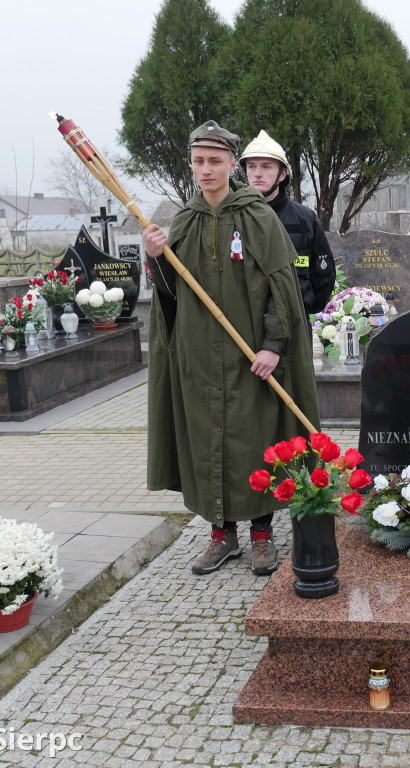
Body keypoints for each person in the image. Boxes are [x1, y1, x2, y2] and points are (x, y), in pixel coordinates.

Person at [144, 120, 320, 577]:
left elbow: (282, 288)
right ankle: (222, 536)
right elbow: (170, 294)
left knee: (254, 441)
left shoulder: (258, 217)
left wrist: (274, 346)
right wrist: (155, 258)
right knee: (208, 441)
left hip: (251, 359)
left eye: (215, 161)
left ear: (230, 165)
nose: (206, 170)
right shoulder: (184, 220)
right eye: (199, 161)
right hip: (199, 358)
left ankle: (262, 535)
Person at [240, 130, 336, 316]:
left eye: (266, 166)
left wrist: (303, 309)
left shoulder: (305, 219)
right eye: (251, 167)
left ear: (282, 174)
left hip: (295, 324)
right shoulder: (235, 217)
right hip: (246, 329)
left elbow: (323, 276)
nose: (257, 174)